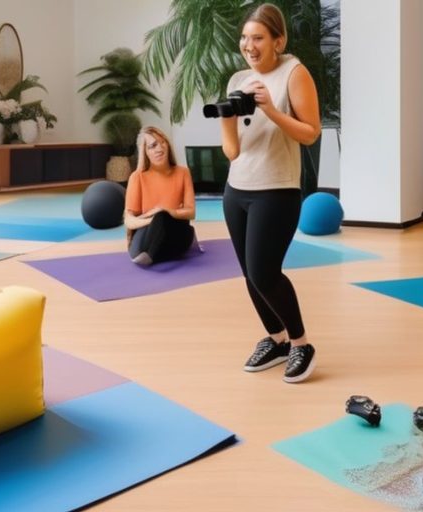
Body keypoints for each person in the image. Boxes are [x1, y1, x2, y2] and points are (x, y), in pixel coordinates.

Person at [219, 3, 321, 383]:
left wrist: (271, 109)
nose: (249, 44)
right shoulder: (237, 80)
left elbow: (310, 133)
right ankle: (276, 339)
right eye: (245, 37)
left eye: (258, 37)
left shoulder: (293, 73)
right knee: (249, 274)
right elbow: (232, 151)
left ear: (279, 40)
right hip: (237, 189)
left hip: (276, 190)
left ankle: (301, 343)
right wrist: (228, 120)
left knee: (265, 271)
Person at [124, 126, 197, 266]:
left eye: (162, 142)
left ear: (168, 145)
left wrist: (166, 211)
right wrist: (154, 219)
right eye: (152, 146)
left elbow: (191, 212)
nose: (159, 149)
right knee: (160, 218)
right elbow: (129, 220)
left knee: (165, 217)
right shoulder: (137, 177)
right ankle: (154, 254)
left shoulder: (183, 173)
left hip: (174, 230)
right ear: (145, 152)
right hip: (146, 234)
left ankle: (153, 256)